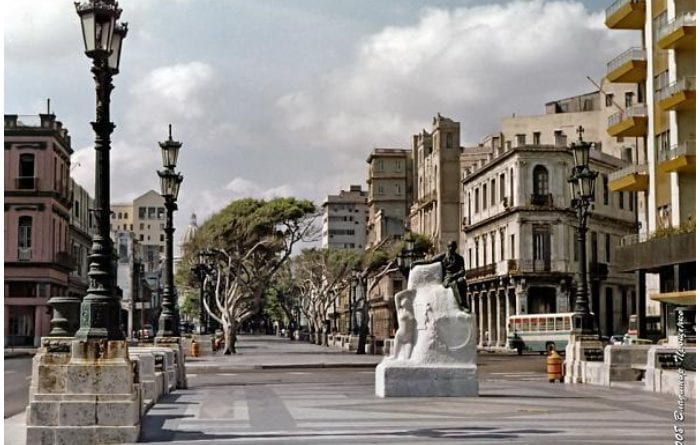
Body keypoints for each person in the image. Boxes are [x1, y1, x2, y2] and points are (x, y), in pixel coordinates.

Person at [412, 240, 468, 310]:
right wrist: (416, 262)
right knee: (454, 283)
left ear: (455, 248)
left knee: (462, 281)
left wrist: (454, 276)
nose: (451, 249)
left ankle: (465, 304)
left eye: (453, 247)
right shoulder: (443, 256)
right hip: (447, 278)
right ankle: (461, 305)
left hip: (455, 276)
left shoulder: (460, 258)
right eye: (450, 247)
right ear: (447, 247)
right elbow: (430, 261)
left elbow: (462, 271)